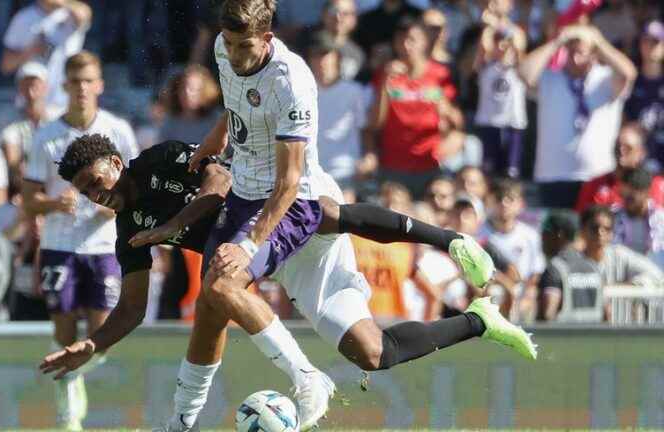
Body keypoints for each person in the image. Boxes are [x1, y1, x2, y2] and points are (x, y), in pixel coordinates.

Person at [39, 129, 536, 431]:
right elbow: (130, 308)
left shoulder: (159, 160)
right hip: (268, 258)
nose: (95, 197)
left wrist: (174, 226)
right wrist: (92, 347)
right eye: (84, 193)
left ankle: (299, 381)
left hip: (275, 215)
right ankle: (477, 321)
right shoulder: (129, 228)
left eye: (96, 183)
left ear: (116, 164)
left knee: (304, 225)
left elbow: (219, 182)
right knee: (371, 353)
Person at [21, 51, 138, 430]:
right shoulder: (47, 135)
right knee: (63, 328)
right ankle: (68, 396)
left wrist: (113, 207)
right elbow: (27, 198)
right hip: (60, 244)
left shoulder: (117, 130)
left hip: (104, 245)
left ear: (100, 84)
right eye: (75, 82)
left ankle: (75, 377)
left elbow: (135, 188)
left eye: (89, 81)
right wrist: (56, 202)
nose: (82, 89)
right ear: (65, 86)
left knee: (102, 331)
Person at [520, 24, 637, 208]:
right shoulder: (550, 78)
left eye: (581, 52)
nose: (575, 58)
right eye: (571, 52)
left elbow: (628, 73)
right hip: (553, 175)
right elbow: (524, 72)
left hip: (597, 175)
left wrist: (598, 42)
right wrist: (557, 42)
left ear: (594, 53)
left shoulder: (606, 79)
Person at [360, 18, 465, 198]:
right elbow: (375, 124)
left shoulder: (440, 75)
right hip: (393, 165)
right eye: (400, 40)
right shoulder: (384, 74)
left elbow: (458, 122)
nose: (406, 45)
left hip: (430, 165)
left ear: (425, 42)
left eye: (412, 39)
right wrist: (385, 84)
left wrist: (444, 108)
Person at [1, 0, 92, 114]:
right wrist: (30, 52)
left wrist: (60, 3)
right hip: (30, 106)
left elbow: (84, 14)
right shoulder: (23, 18)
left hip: (66, 104)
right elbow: (6, 66)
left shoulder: (72, 14)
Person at [307, 32, 368, 195]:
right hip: (309, 173)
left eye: (326, 55)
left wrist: (368, 157)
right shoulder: (302, 90)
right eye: (316, 55)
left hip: (345, 171)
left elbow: (366, 130)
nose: (321, 61)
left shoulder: (355, 92)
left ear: (337, 58)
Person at [473, 3, 528, 178]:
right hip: (489, 122)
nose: (502, 46)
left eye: (505, 42)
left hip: (513, 123)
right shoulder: (486, 67)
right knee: (488, 170)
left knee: (511, 171)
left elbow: (520, 46)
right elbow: (483, 48)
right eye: (498, 42)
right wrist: (489, 28)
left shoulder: (518, 68)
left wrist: (500, 26)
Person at [480, 178, 546, 322]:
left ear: (521, 204)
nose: (504, 204)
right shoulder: (479, 233)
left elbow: (534, 274)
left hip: (521, 293)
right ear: (489, 201)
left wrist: (526, 298)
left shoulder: (530, 235)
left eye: (510, 199)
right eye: (498, 198)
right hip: (488, 292)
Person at [574, 123, 664, 213]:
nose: (621, 151)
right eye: (618, 146)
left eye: (628, 148)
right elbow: (580, 222)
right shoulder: (594, 186)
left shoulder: (657, 186)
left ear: (641, 153)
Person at [537, 210, 605, 323]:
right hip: (594, 339)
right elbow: (606, 314)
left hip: (564, 339)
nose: (542, 238)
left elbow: (547, 314)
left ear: (559, 234)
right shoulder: (593, 268)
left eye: (545, 232)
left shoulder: (555, 269)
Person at [580, 205, 664, 288]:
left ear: (612, 234)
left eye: (607, 229)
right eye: (594, 228)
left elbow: (657, 275)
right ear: (582, 231)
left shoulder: (620, 255)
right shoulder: (573, 259)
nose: (600, 233)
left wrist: (623, 288)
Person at [624, 20, 664, 171]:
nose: (649, 46)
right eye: (645, 40)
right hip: (637, 165)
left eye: (655, 42)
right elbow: (624, 120)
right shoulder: (631, 80)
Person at [158, 65, 223, 145]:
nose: (187, 94)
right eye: (183, 88)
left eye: (193, 89)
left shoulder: (218, 120)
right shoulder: (170, 122)